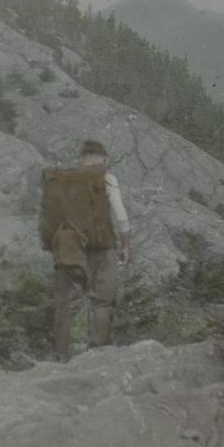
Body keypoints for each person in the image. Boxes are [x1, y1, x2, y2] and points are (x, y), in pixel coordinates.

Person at [42, 139, 131, 361]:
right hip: (101, 250)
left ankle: (61, 356)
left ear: (83, 158)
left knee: (64, 304)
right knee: (101, 302)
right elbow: (120, 215)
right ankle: (97, 355)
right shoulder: (107, 179)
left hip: (70, 249)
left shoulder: (65, 180)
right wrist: (126, 244)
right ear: (103, 158)